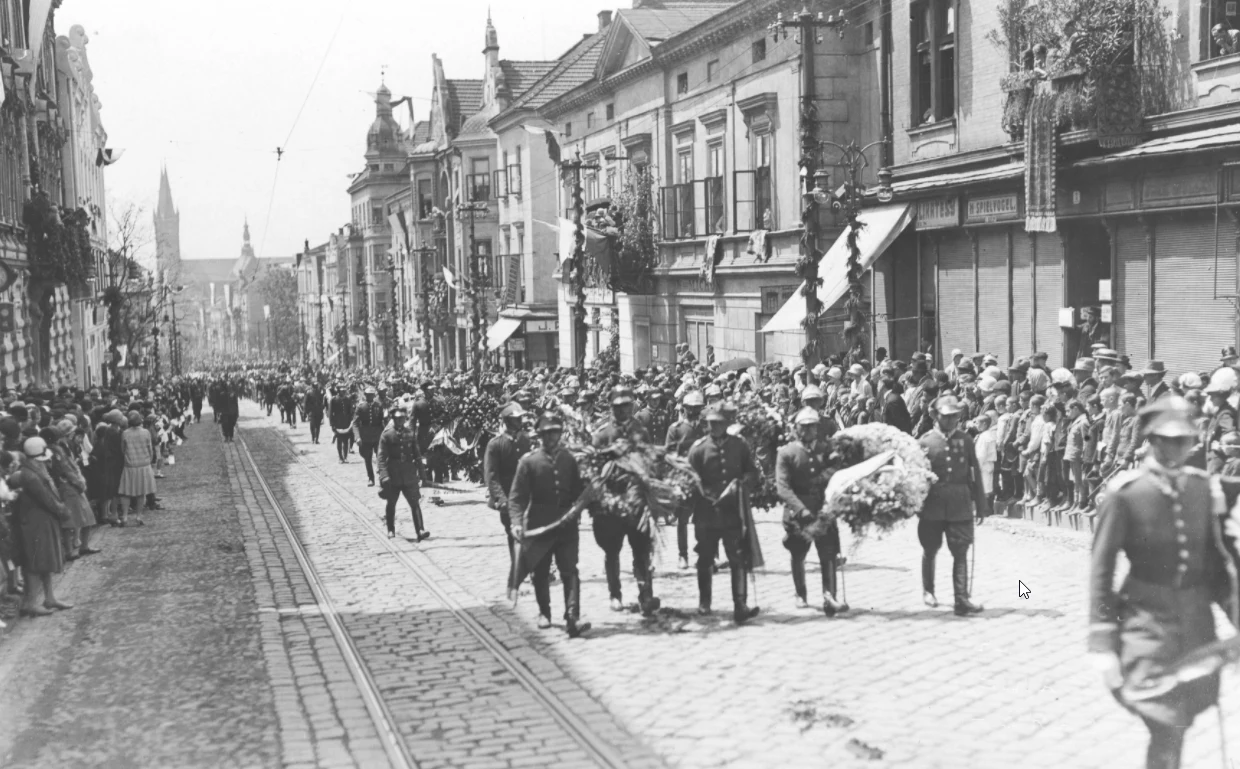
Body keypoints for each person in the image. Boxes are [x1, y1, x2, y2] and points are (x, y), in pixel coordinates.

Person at [1089, 396, 1239, 769]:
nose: (1176, 449)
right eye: (1167, 440)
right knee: (1165, 724)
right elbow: (1101, 572)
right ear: (1151, 440)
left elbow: (1218, 570)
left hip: (1196, 631)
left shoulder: (1203, 489)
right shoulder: (1126, 494)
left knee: (1180, 722)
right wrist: (1103, 641)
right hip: (1145, 628)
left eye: (1184, 440)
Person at [508, 413, 591, 638]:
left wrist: (589, 488)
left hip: (566, 525)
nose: (552, 437)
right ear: (540, 435)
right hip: (539, 524)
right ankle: (544, 612)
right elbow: (516, 497)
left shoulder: (569, 459)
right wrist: (516, 523)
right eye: (547, 433)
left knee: (569, 570)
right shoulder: (529, 461)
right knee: (540, 572)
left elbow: (576, 490)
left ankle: (573, 615)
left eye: (555, 432)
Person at [687, 403, 761, 625]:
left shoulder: (739, 446)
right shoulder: (698, 449)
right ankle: (704, 602)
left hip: (732, 513)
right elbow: (689, 479)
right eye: (712, 423)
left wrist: (742, 484)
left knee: (737, 557)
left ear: (727, 424)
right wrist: (699, 493)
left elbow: (752, 472)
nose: (715, 427)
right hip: (707, 514)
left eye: (719, 423)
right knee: (705, 557)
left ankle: (740, 604)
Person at [917, 393, 990, 616]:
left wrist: (981, 503)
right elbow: (917, 476)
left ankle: (961, 599)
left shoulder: (965, 439)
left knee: (961, 551)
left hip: (960, 504)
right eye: (946, 417)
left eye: (954, 417)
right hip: (932, 506)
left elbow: (975, 471)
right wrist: (917, 503)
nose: (951, 421)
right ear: (935, 416)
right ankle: (928, 590)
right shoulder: (925, 442)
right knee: (930, 548)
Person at [591, 386, 658, 615]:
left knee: (641, 550)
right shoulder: (602, 435)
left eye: (626, 406)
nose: (622, 410)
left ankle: (645, 594)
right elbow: (592, 470)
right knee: (612, 551)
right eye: (618, 407)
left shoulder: (641, 432)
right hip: (612, 503)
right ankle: (615, 594)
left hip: (637, 501)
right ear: (611, 408)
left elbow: (650, 462)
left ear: (632, 406)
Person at [776, 407, 847, 615]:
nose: (808, 431)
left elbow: (838, 472)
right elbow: (783, 487)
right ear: (796, 429)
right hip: (798, 514)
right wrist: (799, 509)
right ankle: (800, 593)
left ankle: (830, 596)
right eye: (804, 427)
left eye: (812, 427)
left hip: (823, 510)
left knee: (828, 554)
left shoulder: (826, 449)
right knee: (798, 553)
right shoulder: (787, 452)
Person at [10, 437, 72, 617]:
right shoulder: (31, 475)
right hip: (35, 523)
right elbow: (47, 499)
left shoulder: (32, 470)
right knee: (35, 563)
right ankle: (31, 603)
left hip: (42, 521)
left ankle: (49, 597)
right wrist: (63, 511)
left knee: (45, 560)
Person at [484, 402, 532, 589]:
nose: (519, 422)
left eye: (519, 418)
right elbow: (491, 475)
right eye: (514, 419)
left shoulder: (525, 440)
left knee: (529, 530)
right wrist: (501, 499)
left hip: (526, 495)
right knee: (514, 533)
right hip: (507, 497)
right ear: (506, 421)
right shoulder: (496, 445)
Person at [665, 389, 707, 570]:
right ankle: (683, 555)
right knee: (682, 520)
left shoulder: (706, 426)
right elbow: (669, 454)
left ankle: (707, 554)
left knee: (705, 519)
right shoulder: (676, 429)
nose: (695, 411)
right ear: (685, 409)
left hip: (704, 479)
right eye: (692, 408)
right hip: (684, 479)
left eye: (698, 408)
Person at [377, 405, 428, 540]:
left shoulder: (410, 434)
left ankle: (420, 530)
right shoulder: (387, 435)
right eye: (397, 418)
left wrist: (423, 475)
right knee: (391, 503)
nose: (400, 421)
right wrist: (384, 475)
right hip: (393, 475)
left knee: (415, 503)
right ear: (393, 418)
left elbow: (417, 455)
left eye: (402, 418)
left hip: (409, 474)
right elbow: (381, 458)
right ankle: (390, 529)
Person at [118, 411, 156, 526]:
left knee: (126, 492)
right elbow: (150, 449)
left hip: (130, 465)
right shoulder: (146, 432)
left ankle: (124, 516)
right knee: (141, 492)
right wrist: (149, 459)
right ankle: (139, 516)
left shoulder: (125, 433)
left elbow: (123, 449)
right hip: (144, 464)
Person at [352, 385, 386, 486]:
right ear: (365, 395)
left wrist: (384, 435)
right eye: (368, 395)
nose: (370, 397)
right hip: (365, 437)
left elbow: (382, 421)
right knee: (368, 458)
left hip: (377, 435)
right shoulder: (361, 407)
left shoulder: (378, 406)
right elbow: (355, 423)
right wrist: (357, 437)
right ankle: (371, 478)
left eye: (372, 395)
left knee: (380, 457)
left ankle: (382, 477)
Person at [329, 385, 355, 463]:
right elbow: (331, 413)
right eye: (341, 391)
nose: (343, 393)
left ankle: (345, 457)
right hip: (338, 423)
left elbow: (350, 411)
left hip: (346, 423)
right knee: (339, 440)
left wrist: (351, 421)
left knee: (346, 440)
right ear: (338, 391)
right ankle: (340, 457)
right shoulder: (334, 400)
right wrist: (332, 424)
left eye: (344, 391)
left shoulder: (347, 399)